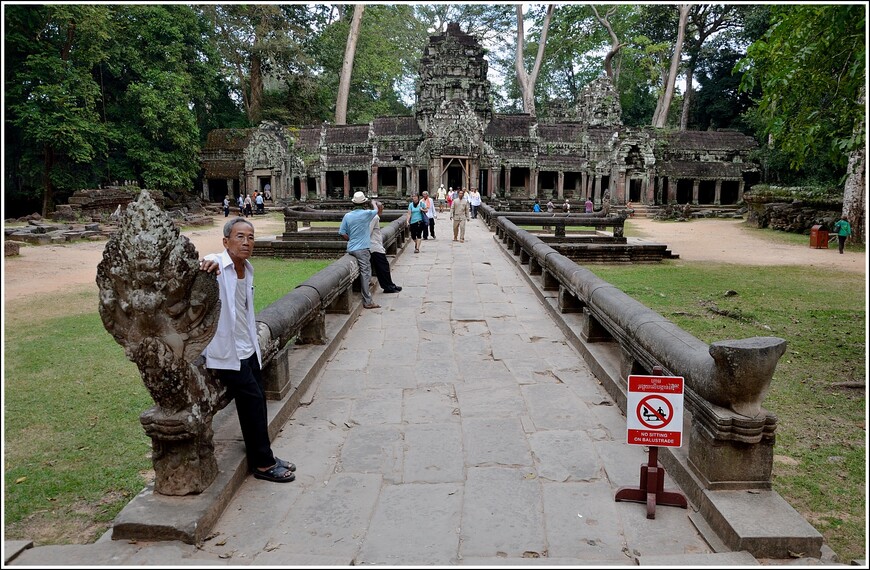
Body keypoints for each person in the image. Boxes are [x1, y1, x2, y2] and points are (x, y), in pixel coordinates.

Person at [199, 217, 297, 483]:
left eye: (250, 237)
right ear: (226, 241)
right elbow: (206, 263)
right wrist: (205, 264)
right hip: (227, 353)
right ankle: (263, 464)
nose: (246, 242)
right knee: (252, 401)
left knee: (257, 402)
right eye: (240, 236)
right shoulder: (217, 265)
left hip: (248, 347)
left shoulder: (248, 268)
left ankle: (263, 452)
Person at [339, 191, 381, 309]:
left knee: (364, 272)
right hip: (362, 249)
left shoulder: (347, 216)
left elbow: (342, 233)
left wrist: (351, 239)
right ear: (364, 203)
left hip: (351, 248)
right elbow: (377, 210)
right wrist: (372, 202)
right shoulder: (367, 213)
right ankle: (368, 301)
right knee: (365, 273)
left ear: (353, 203)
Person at [369, 200, 402, 293]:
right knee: (383, 267)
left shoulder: (375, 217)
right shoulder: (374, 217)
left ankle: (390, 285)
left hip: (377, 245)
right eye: (382, 208)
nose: (382, 211)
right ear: (378, 209)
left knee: (384, 267)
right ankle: (387, 287)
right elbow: (368, 232)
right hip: (374, 247)